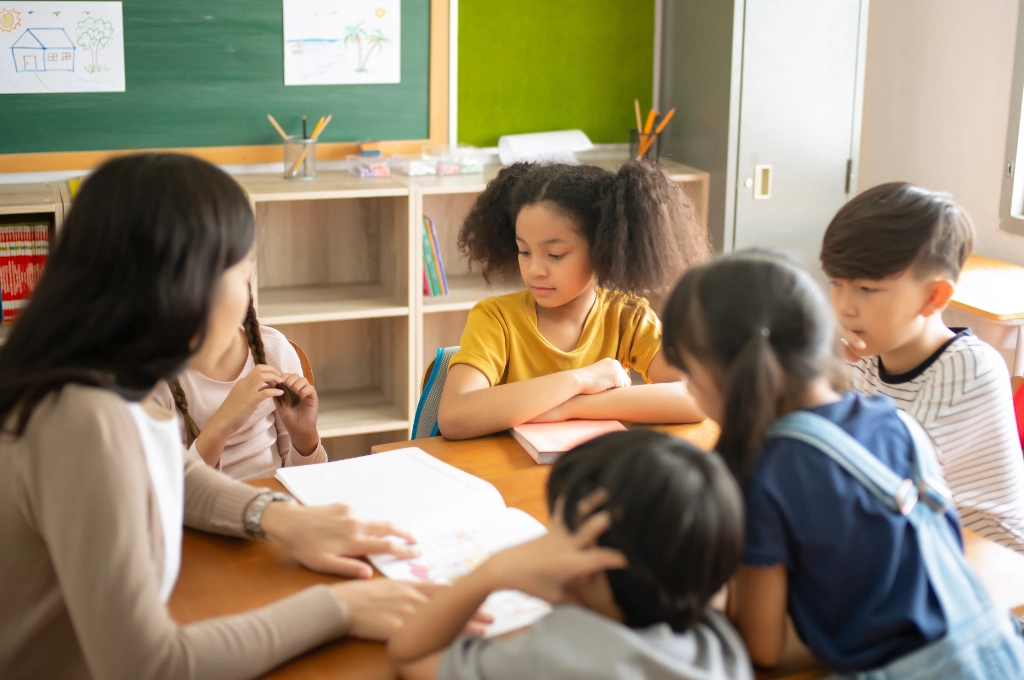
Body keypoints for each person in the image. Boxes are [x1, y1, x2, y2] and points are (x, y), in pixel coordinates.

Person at [0, 153, 441, 680]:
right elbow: (150, 666)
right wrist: (338, 608)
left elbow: (171, 471)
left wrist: (279, 517)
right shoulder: (82, 420)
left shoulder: (102, 374)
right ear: (187, 283)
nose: (248, 292)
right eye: (245, 266)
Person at [661, 250, 1024, 678]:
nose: (689, 389)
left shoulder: (765, 473)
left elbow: (763, 648)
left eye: (689, 374)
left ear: (727, 374)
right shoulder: (894, 421)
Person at [388, 429, 753, 680]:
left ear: (585, 566)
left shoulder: (557, 657)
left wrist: (493, 571)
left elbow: (411, 655)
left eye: (557, 533)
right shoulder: (715, 640)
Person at [437, 161, 709, 440]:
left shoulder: (627, 316)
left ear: (601, 249)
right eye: (524, 251)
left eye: (555, 255)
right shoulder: (496, 319)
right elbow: (454, 416)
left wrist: (570, 407)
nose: (535, 270)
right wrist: (582, 379)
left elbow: (697, 397)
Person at [821, 182, 1024, 552]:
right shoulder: (866, 356)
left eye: (867, 289)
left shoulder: (970, 368)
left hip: (988, 563)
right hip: (917, 543)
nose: (844, 306)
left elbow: (880, 479)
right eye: (836, 283)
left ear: (934, 296)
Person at [152, 292, 327, 480]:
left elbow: (308, 480)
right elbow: (167, 490)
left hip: (273, 493)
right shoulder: (153, 379)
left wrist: (305, 437)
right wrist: (222, 424)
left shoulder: (274, 348)